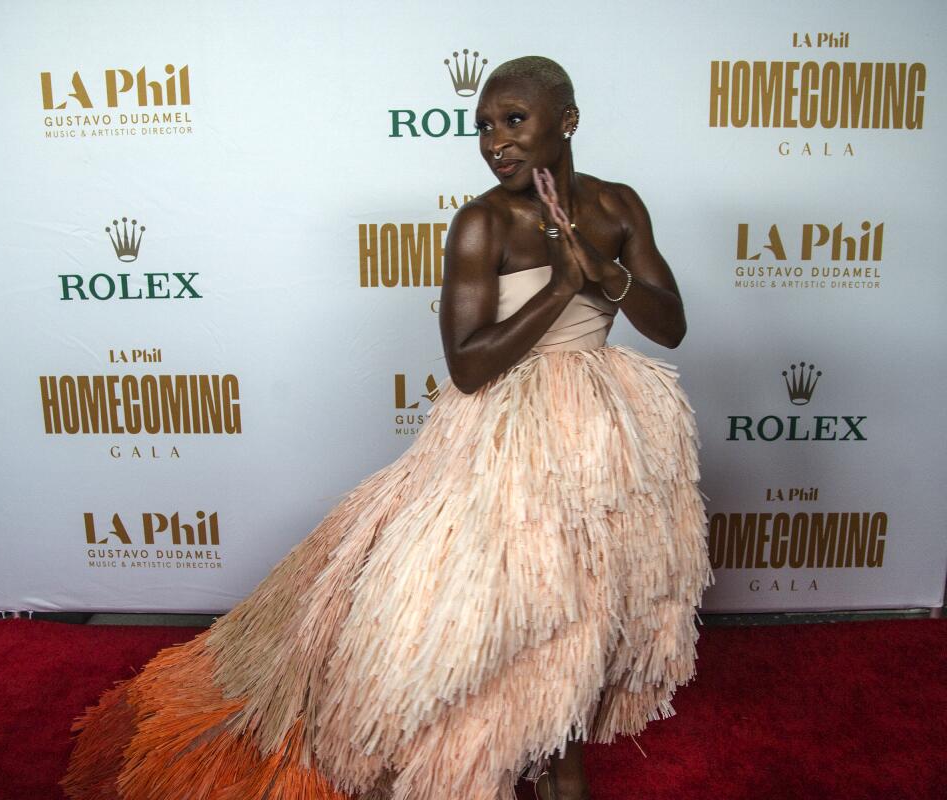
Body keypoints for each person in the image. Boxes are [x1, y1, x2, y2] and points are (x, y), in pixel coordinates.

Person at [62, 56, 712, 800]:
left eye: (513, 121)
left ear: (565, 121)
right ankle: (501, 744)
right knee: (503, 599)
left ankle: (560, 735)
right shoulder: (480, 223)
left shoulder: (618, 206)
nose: (495, 141)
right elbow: (468, 364)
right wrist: (561, 287)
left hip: (603, 432)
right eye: (484, 127)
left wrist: (606, 274)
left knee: (588, 594)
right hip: (505, 435)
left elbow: (671, 326)